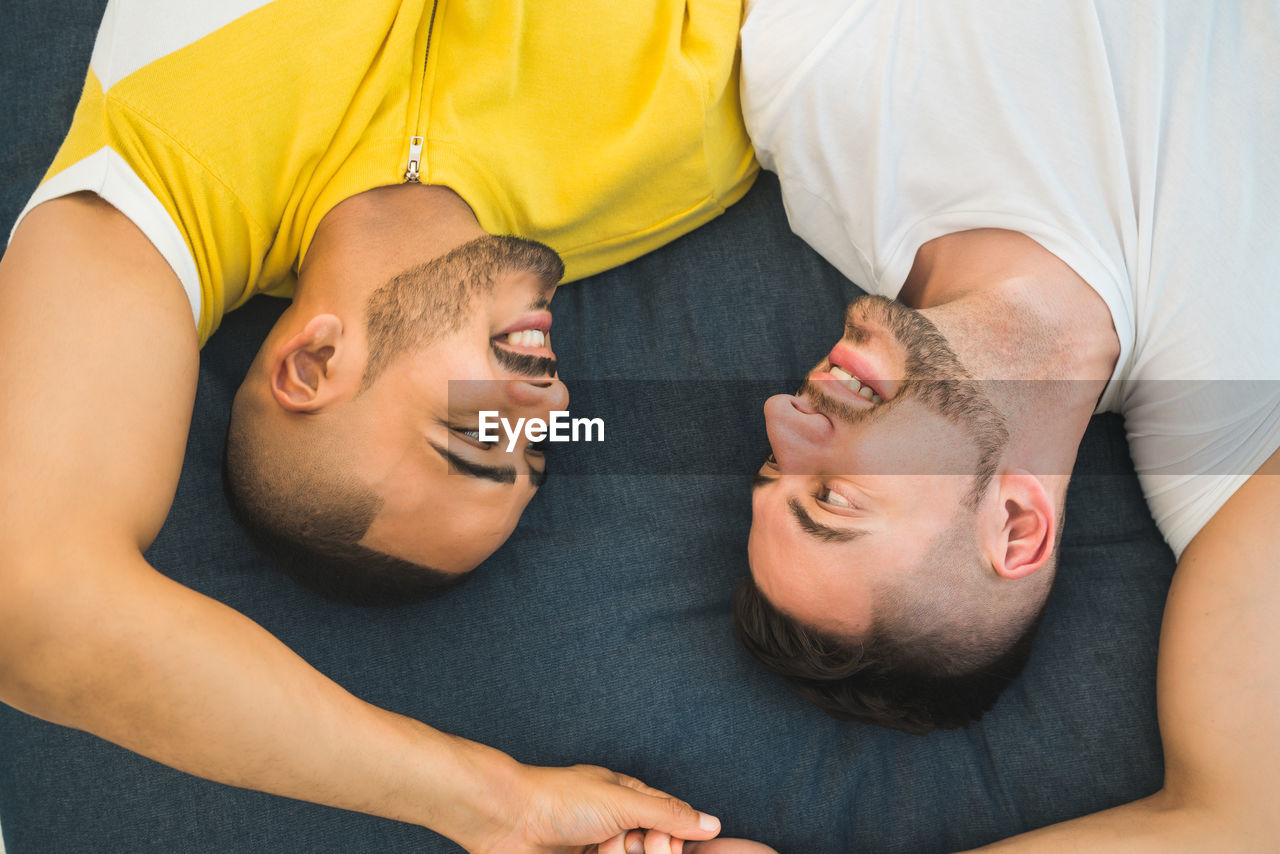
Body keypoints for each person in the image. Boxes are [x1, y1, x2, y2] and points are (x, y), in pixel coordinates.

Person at [0, 0, 758, 848]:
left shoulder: (167, 171)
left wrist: (486, 806)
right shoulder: (692, 136)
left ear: (313, 365)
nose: (552, 406)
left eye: (476, 435)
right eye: (535, 447)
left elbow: (30, 600)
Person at [733, 0, 1280, 847]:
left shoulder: (822, 104)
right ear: (1016, 526)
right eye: (834, 498)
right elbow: (1243, 822)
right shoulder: (1234, 440)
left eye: (773, 470)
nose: (784, 417)